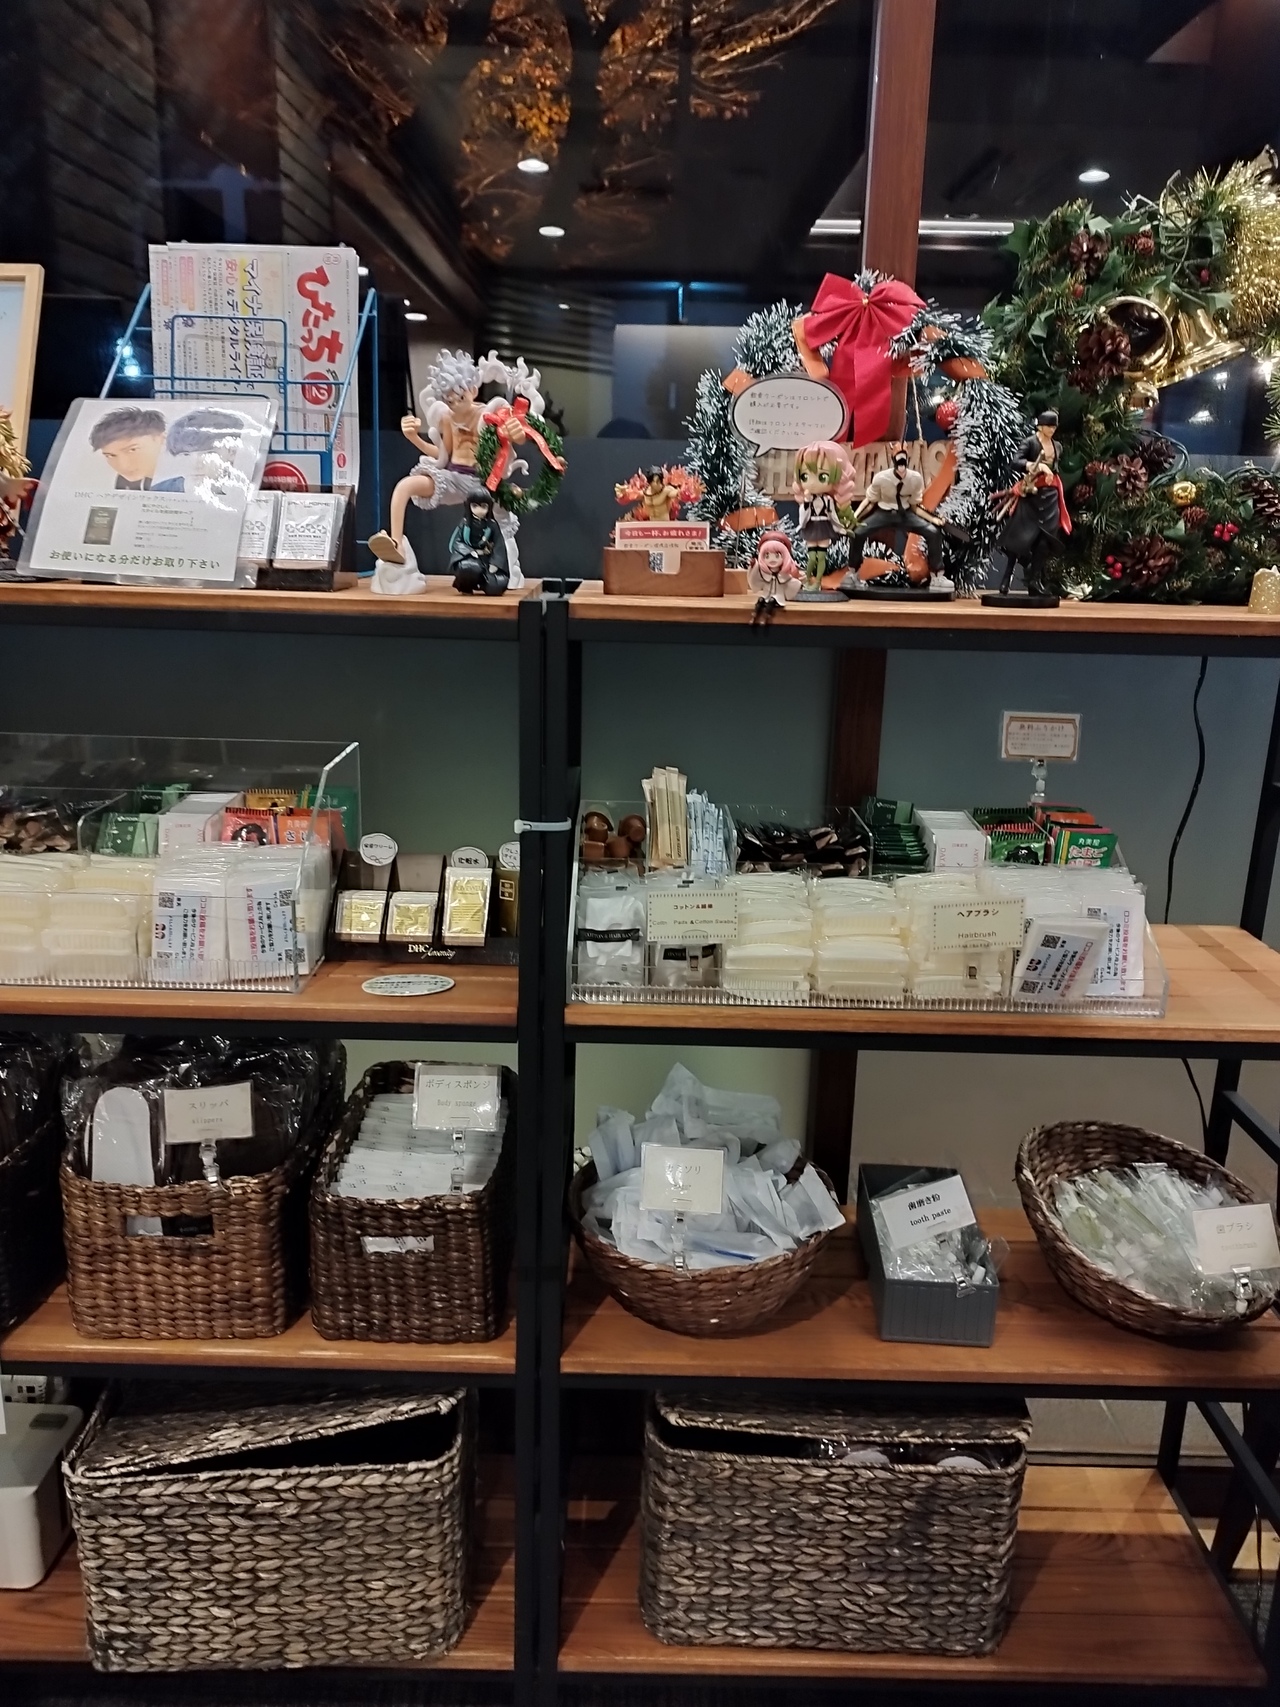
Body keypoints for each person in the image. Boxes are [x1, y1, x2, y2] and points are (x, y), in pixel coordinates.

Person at [840, 449, 946, 592]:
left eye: (903, 464)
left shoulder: (915, 478)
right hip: (884, 512)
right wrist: (855, 518)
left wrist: (933, 519)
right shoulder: (881, 478)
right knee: (858, 532)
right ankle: (853, 572)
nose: (901, 468)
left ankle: (937, 575)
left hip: (906, 514)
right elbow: (870, 501)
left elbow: (915, 507)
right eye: (898, 464)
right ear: (894, 463)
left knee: (933, 531)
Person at [993, 409, 1070, 596]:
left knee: (1045, 540)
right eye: (1048, 426)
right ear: (1040, 426)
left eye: (1054, 426)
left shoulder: (1057, 446)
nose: (1052, 430)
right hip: (1031, 494)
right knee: (1018, 538)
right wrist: (1036, 466)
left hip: (1050, 495)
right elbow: (1015, 461)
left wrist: (1051, 474)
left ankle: (1035, 580)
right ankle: (1007, 577)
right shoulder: (1030, 442)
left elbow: (1056, 467)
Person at [792, 440, 855, 592]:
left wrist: (840, 528)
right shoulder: (807, 501)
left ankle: (817, 582)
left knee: (821, 557)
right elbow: (803, 516)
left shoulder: (828, 501)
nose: (812, 483)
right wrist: (806, 503)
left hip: (824, 526)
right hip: (811, 527)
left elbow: (833, 515)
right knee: (811, 557)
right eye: (805, 477)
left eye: (822, 477)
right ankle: (808, 579)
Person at [88, 406, 181, 490]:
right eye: (110, 456)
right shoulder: (124, 482)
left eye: (132, 450)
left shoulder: (182, 480)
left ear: (161, 439)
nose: (123, 465)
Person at [162, 407, 248, 493]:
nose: (195, 465)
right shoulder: (161, 490)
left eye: (208, 454)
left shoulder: (245, 491)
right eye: (186, 454)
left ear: (232, 452)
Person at [449, 488, 510, 595]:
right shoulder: (465, 523)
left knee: (496, 585)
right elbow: (456, 542)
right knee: (469, 567)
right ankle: (466, 586)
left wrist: (495, 563)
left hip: (487, 559)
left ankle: (484, 583)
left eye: (483, 506)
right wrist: (470, 551)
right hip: (470, 558)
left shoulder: (492, 525)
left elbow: (499, 545)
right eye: (475, 506)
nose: (479, 510)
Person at [747, 530, 803, 622]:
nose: (772, 560)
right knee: (761, 600)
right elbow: (755, 580)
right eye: (767, 556)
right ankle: (755, 615)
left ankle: (766, 617)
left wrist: (798, 580)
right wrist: (753, 567)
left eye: (777, 556)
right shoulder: (764, 574)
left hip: (778, 596)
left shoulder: (784, 575)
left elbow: (790, 582)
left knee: (772, 601)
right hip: (766, 594)